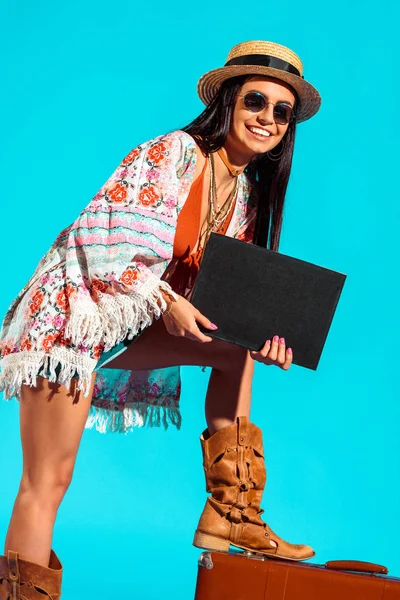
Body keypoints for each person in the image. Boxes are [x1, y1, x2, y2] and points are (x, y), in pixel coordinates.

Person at [0, 39, 321, 597]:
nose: (267, 119)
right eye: (255, 102)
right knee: (47, 480)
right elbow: (102, 243)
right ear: (227, 102)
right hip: (71, 316)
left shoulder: (245, 193)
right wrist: (169, 302)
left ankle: (233, 511)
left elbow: (216, 298)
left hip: (130, 317)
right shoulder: (172, 154)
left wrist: (266, 336)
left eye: (281, 111)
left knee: (233, 347)